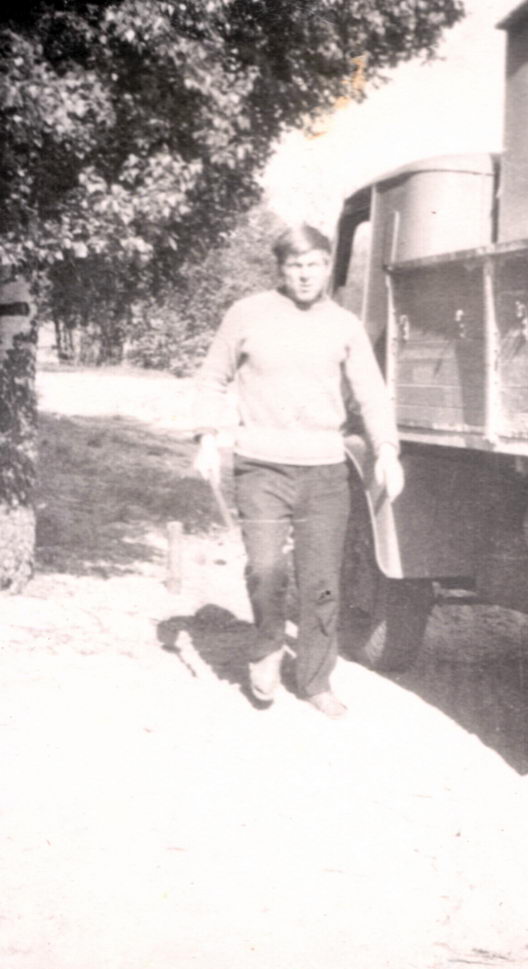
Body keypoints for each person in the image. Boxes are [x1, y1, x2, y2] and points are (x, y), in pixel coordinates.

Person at [193, 223, 404, 717]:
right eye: (294, 266)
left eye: (313, 265)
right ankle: (267, 646)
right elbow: (212, 378)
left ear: (327, 267)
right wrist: (206, 437)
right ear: (281, 269)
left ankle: (315, 680)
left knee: (322, 581)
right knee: (265, 568)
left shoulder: (345, 325)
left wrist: (387, 450)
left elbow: (372, 394)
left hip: (325, 473)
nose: (305, 275)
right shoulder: (247, 314)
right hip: (260, 467)